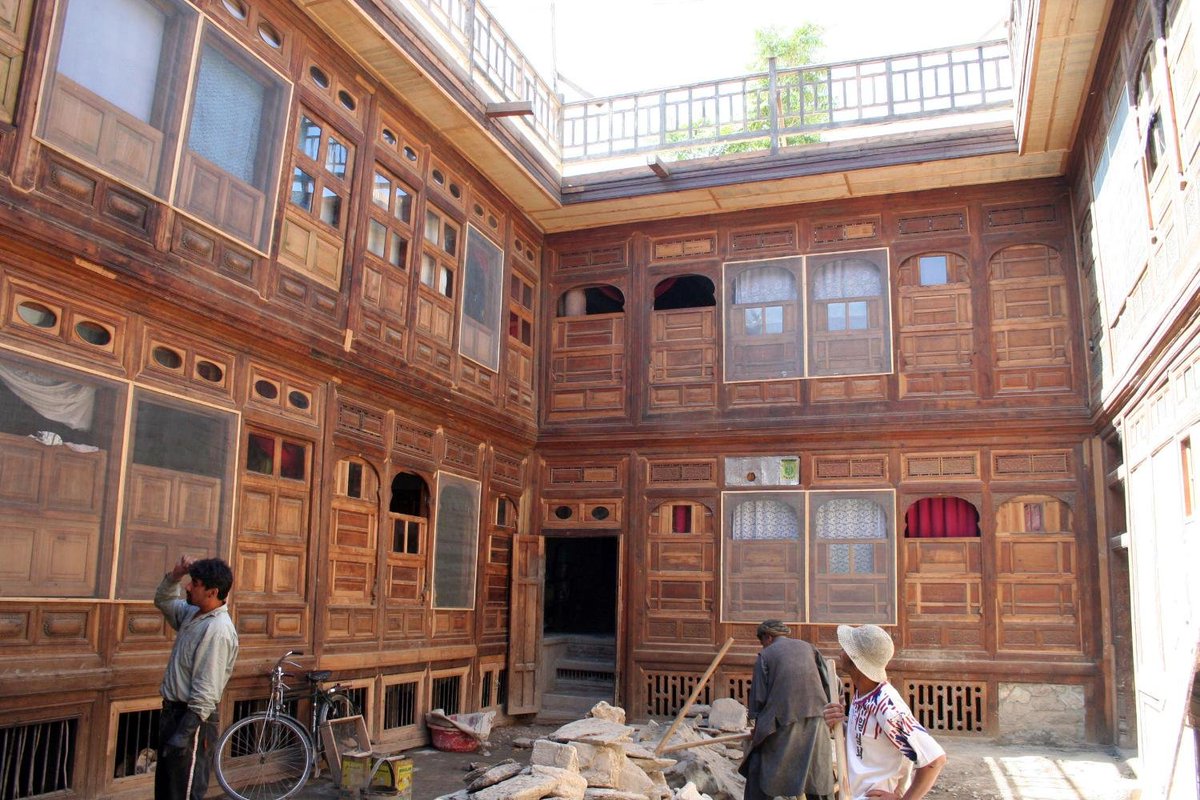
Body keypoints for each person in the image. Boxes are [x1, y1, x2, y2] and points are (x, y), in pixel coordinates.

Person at [822, 624, 946, 800]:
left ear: (854, 659)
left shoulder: (887, 707)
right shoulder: (863, 694)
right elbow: (864, 741)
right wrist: (837, 723)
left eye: (846, 648)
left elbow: (935, 760)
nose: (840, 651)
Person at [154, 555, 239, 800]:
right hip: (173, 713)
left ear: (212, 592)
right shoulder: (193, 613)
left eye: (195, 583)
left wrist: (184, 733)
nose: (188, 587)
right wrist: (176, 575)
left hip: (192, 721)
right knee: (168, 791)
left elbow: (207, 689)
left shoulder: (218, 630)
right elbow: (164, 600)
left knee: (184, 792)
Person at [738, 619, 835, 800]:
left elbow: (759, 699)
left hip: (782, 721)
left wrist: (758, 729)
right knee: (818, 773)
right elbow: (829, 683)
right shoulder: (809, 648)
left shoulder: (765, 655)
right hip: (818, 719)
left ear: (767, 637)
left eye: (762, 642)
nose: (763, 645)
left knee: (758, 768)